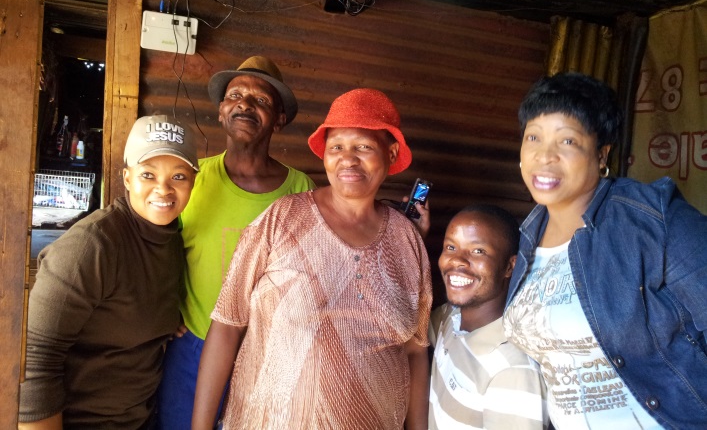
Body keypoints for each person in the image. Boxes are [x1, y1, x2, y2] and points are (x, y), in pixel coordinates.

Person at [192, 88, 433, 430]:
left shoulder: (407, 239)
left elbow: (416, 350)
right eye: (337, 147)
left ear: (391, 153)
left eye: (363, 147)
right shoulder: (280, 219)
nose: (348, 159)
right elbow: (227, 325)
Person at [503, 72, 707, 430]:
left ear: (602, 154)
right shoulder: (529, 235)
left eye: (567, 140)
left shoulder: (654, 218)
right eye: (533, 137)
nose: (544, 156)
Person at [155, 56, 315, 429]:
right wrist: (163, 308)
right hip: (193, 344)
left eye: (261, 100)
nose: (245, 104)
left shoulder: (300, 190)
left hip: (268, 355)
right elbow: (156, 248)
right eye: (235, 95)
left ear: (278, 119)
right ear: (221, 111)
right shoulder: (191, 179)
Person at [19, 114, 199, 429]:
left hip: (141, 419)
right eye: (148, 174)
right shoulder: (92, 246)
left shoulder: (172, 242)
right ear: (127, 178)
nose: (164, 189)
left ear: (193, 183)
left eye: (179, 176)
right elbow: (35, 358)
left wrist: (169, 320)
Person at [429, 204, 548, 430]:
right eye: (451, 247)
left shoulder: (512, 368)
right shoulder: (450, 318)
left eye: (478, 251)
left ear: (509, 267)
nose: (457, 260)